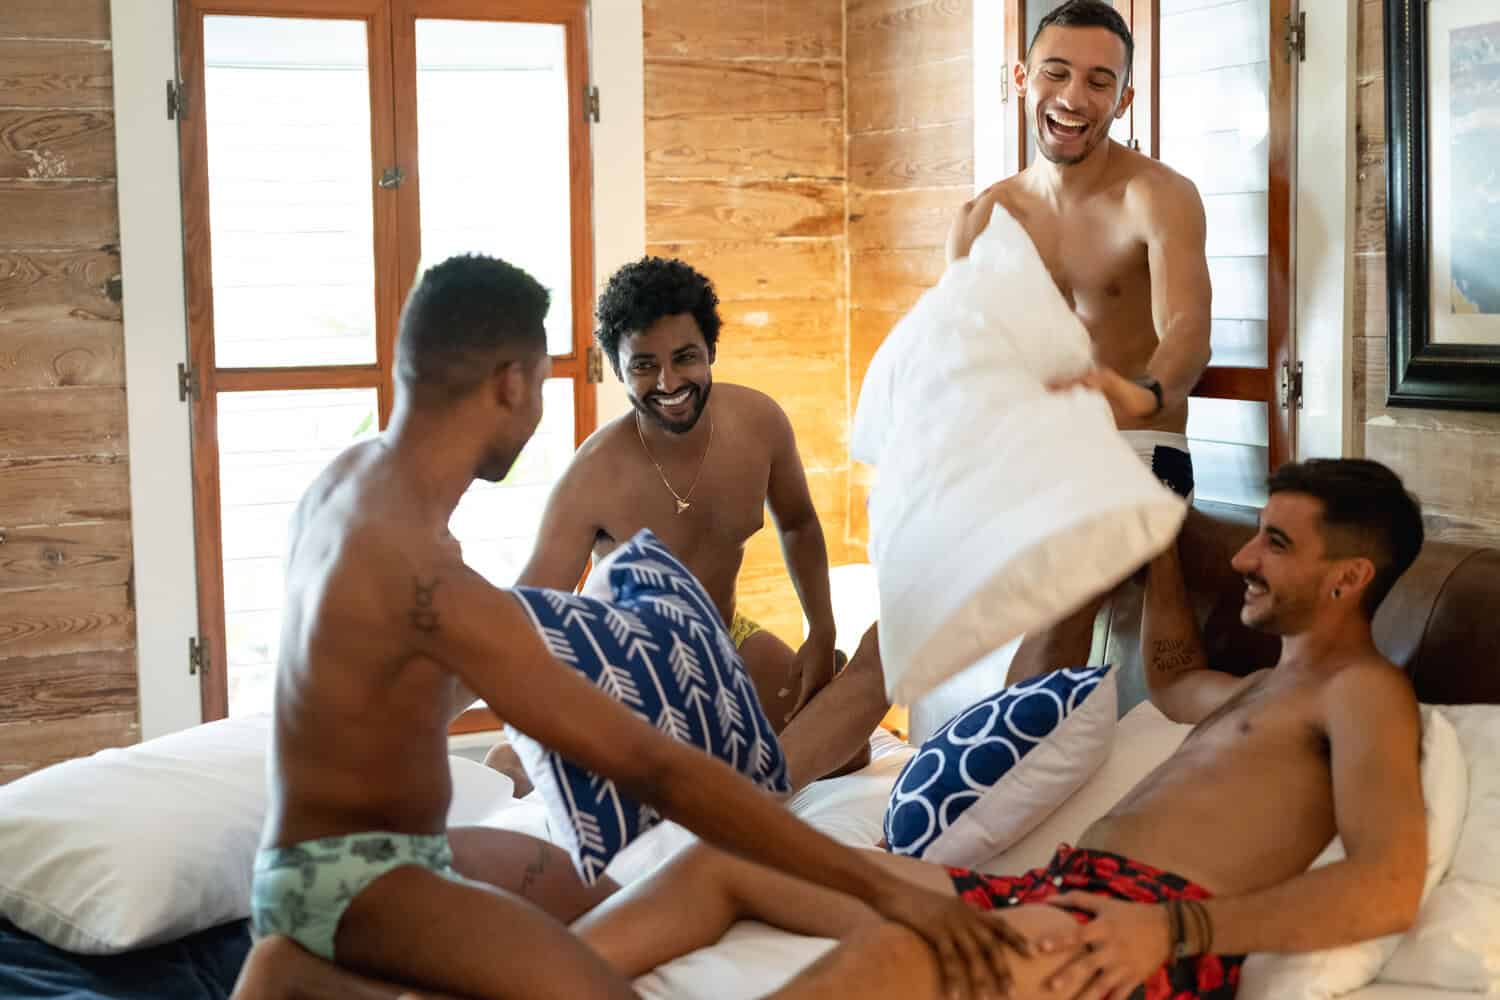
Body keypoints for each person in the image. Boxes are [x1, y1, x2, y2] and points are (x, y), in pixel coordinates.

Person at [234, 254, 1028, 1000]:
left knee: (625, 901)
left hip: (372, 854)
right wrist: (884, 885)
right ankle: (314, 961)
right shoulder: (429, 575)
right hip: (358, 881)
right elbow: (657, 770)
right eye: (546, 382)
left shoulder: (345, 484)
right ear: (512, 383)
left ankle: (303, 970)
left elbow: (387, 683)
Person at [566, 458, 1430, 1000]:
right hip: (1049, 896)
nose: (1243, 557)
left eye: (1275, 543)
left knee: (899, 951)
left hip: (1133, 935)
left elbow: (1388, 885)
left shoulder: (1364, 693)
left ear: (1350, 576)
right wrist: (1159, 542)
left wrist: (1173, 931)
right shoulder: (1256, 692)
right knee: (730, 859)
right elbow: (1168, 682)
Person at [513, 255, 874, 774]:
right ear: (618, 369)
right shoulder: (593, 475)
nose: (668, 381)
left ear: (711, 352)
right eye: (643, 365)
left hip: (725, 636)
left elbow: (798, 524)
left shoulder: (759, 424)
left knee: (846, 752)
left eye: (685, 357)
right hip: (628, 668)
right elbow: (534, 610)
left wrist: (822, 631)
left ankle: (729, 765)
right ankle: (517, 762)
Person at [946, 0, 1214, 685]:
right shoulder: (984, 217)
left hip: (1133, 446)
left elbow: (1188, 331)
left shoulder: (1157, 195)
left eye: (1099, 82)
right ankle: (775, 787)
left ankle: (985, 781)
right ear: (1020, 77)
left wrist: (1144, 391)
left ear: (1124, 98)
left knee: (1059, 597)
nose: (1073, 97)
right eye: (1056, 73)